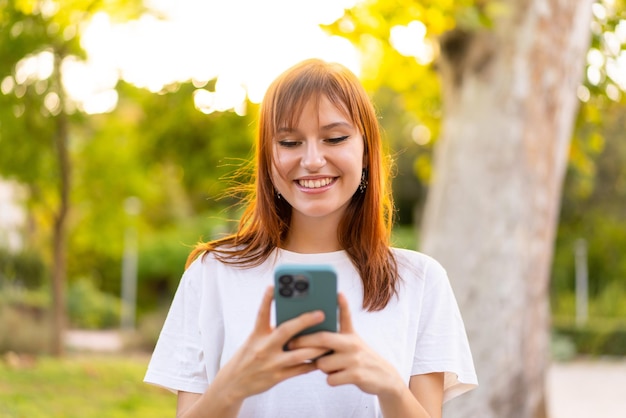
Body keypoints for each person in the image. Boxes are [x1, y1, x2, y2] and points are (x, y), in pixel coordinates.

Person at [144, 58, 477, 418]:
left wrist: (388, 384)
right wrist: (233, 385)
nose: (313, 160)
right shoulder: (213, 274)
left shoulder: (420, 280)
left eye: (334, 138)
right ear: (269, 159)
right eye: (289, 142)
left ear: (366, 151)